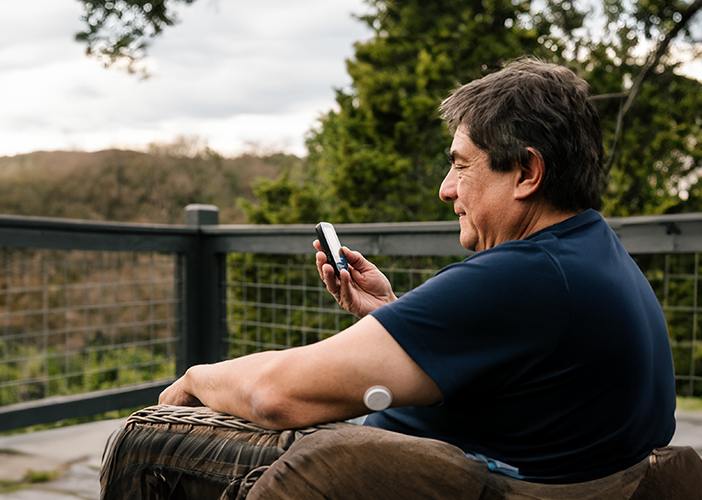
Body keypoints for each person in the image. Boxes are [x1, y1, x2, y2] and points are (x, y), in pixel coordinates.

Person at [155, 57, 679, 489]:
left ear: (526, 172)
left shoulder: (525, 276)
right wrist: (391, 316)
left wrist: (198, 377)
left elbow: (274, 396)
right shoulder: (595, 254)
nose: (446, 189)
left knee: (152, 446)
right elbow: (518, 379)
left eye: (462, 164)